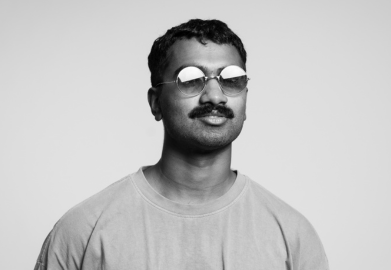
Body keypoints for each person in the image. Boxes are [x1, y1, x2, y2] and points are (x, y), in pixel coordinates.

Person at [34, 19, 329, 270]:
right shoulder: (82, 232)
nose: (215, 96)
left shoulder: (292, 237)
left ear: (246, 99)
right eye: (190, 79)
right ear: (155, 102)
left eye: (232, 79)